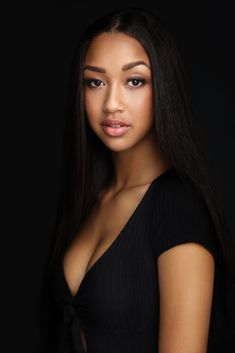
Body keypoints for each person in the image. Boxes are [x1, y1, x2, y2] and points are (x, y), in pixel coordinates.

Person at [42, 6, 234, 353]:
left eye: (134, 81)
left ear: (163, 86)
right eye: (95, 82)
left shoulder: (178, 210)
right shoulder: (90, 197)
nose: (111, 103)